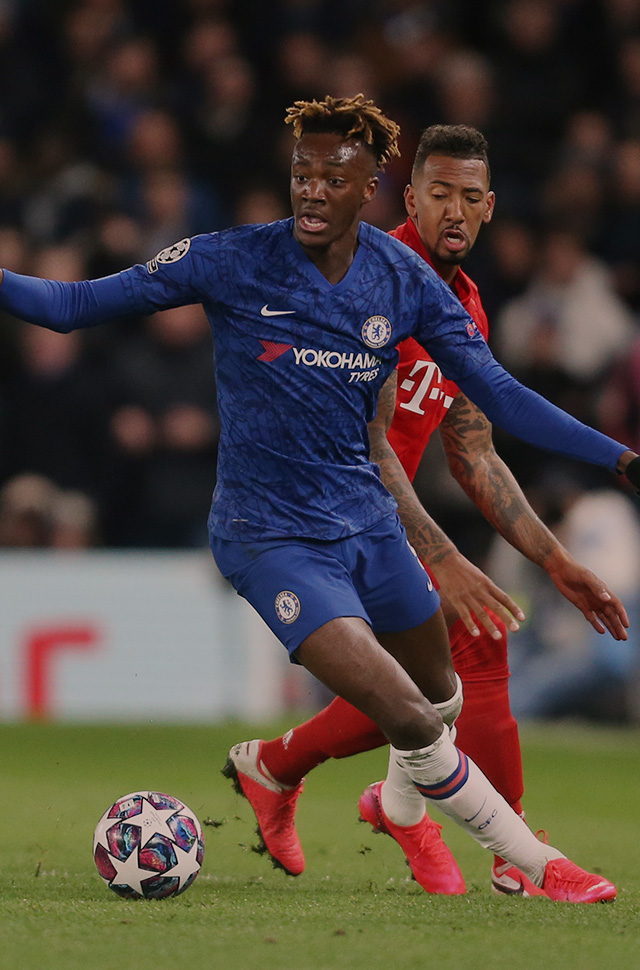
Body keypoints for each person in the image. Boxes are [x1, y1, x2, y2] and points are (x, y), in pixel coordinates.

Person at [0, 95, 636, 903]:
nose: (309, 191)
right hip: (271, 537)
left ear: (370, 184)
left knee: (443, 697)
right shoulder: (232, 258)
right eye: (300, 174)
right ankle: (539, 866)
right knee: (410, 714)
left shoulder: (405, 283)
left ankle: (323, 783)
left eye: (332, 178)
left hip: (370, 529)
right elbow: (71, 307)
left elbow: (500, 405)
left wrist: (619, 459)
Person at [223, 124, 632, 898]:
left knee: (434, 680)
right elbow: (372, 447)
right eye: (438, 193)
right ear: (408, 198)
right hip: (328, 515)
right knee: (461, 657)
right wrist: (444, 557)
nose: (454, 209)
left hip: (380, 522)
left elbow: (474, 450)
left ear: (489, 210)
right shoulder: (368, 281)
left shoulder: (464, 305)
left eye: (469, 197)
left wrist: (556, 561)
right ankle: (498, 840)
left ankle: (302, 774)